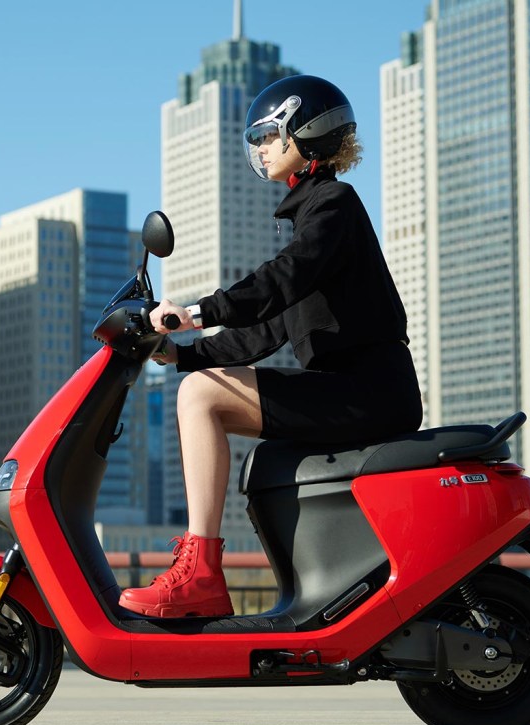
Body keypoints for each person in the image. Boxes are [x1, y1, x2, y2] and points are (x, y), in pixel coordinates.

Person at [118, 74, 424, 619]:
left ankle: (201, 574)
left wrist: (200, 311)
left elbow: (285, 277)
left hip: (367, 392)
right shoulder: (315, 219)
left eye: (266, 135)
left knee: (199, 399)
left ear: (301, 135)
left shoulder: (334, 205)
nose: (258, 148)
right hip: (349, 392)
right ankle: (265, 584)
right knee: (203, 392)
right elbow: (265, 331)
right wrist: (181, 354)